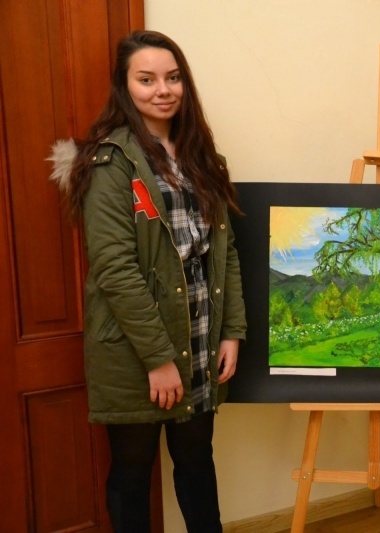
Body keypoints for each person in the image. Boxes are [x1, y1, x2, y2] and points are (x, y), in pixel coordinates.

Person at [49, 30, 246, 532]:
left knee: (197, 465)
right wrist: (159, 359)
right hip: (138, 353)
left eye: (173, 77)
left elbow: (224, 254)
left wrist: (231, 332)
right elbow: (114, 269)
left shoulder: (204, 158)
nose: (163, 89)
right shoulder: (110, 161)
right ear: (125, 86)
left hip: (201, 341)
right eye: (147, 79)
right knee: (133, 474)